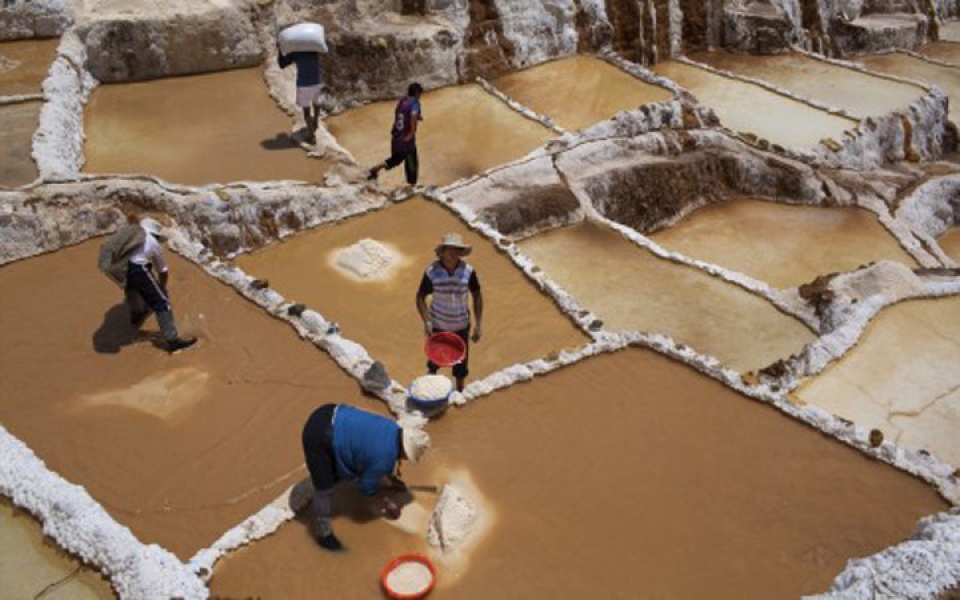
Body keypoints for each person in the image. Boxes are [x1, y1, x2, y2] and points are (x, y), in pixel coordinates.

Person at [301, 403, 430, 551]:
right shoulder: (383, 460)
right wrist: (386, 503)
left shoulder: (392, 427)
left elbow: (377, 449)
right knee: (324, 489)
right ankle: (323, 534)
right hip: (318, 437)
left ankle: (338, 464)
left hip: (329, 412)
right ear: (406, 452)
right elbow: (366, 488)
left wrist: (391, 479)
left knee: (358, 460)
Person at [97, 218, 197, 354]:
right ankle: (173, 341)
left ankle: (137, 315)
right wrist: (161, 287)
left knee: (132, 291)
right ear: (155, 233)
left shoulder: (130, 238)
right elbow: (162, 270)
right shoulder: (153, 242)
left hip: (122, 269)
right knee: (162, 303)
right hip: (138, 269)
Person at [416, 233, 483, 392]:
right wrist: (427, 321)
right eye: (450, 250)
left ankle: (460, 394)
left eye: (457, 250)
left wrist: (478, 325)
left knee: (460, 366)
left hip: (461, 326)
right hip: (438, 325)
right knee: (434, 362)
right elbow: (420, 297)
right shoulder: (432, 272)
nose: (453, 254)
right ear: (443, 251)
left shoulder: (468, 271)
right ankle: (429, 391)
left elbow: (477, 295)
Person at [368, 82, 424, 185]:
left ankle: (376, 168)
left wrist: (417, 117)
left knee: (396, 159)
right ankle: (412, 186)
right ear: (417, 93)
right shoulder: (415, 103)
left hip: (396, 137)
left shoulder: (403, 100)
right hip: (406, 140)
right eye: (420, 94)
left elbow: (399, 113)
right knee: (412, 163)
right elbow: (413, 116)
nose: (420, 96)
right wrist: (411, 133)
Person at [278, 49, 324, 144]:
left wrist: (280, 50)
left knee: (306, 111)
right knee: (317, 103)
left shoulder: (296, 52)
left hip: (304, 84)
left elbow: (282, 64)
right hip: (317, 81)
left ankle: (312, 137)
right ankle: (315, 121)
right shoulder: (313, 49)